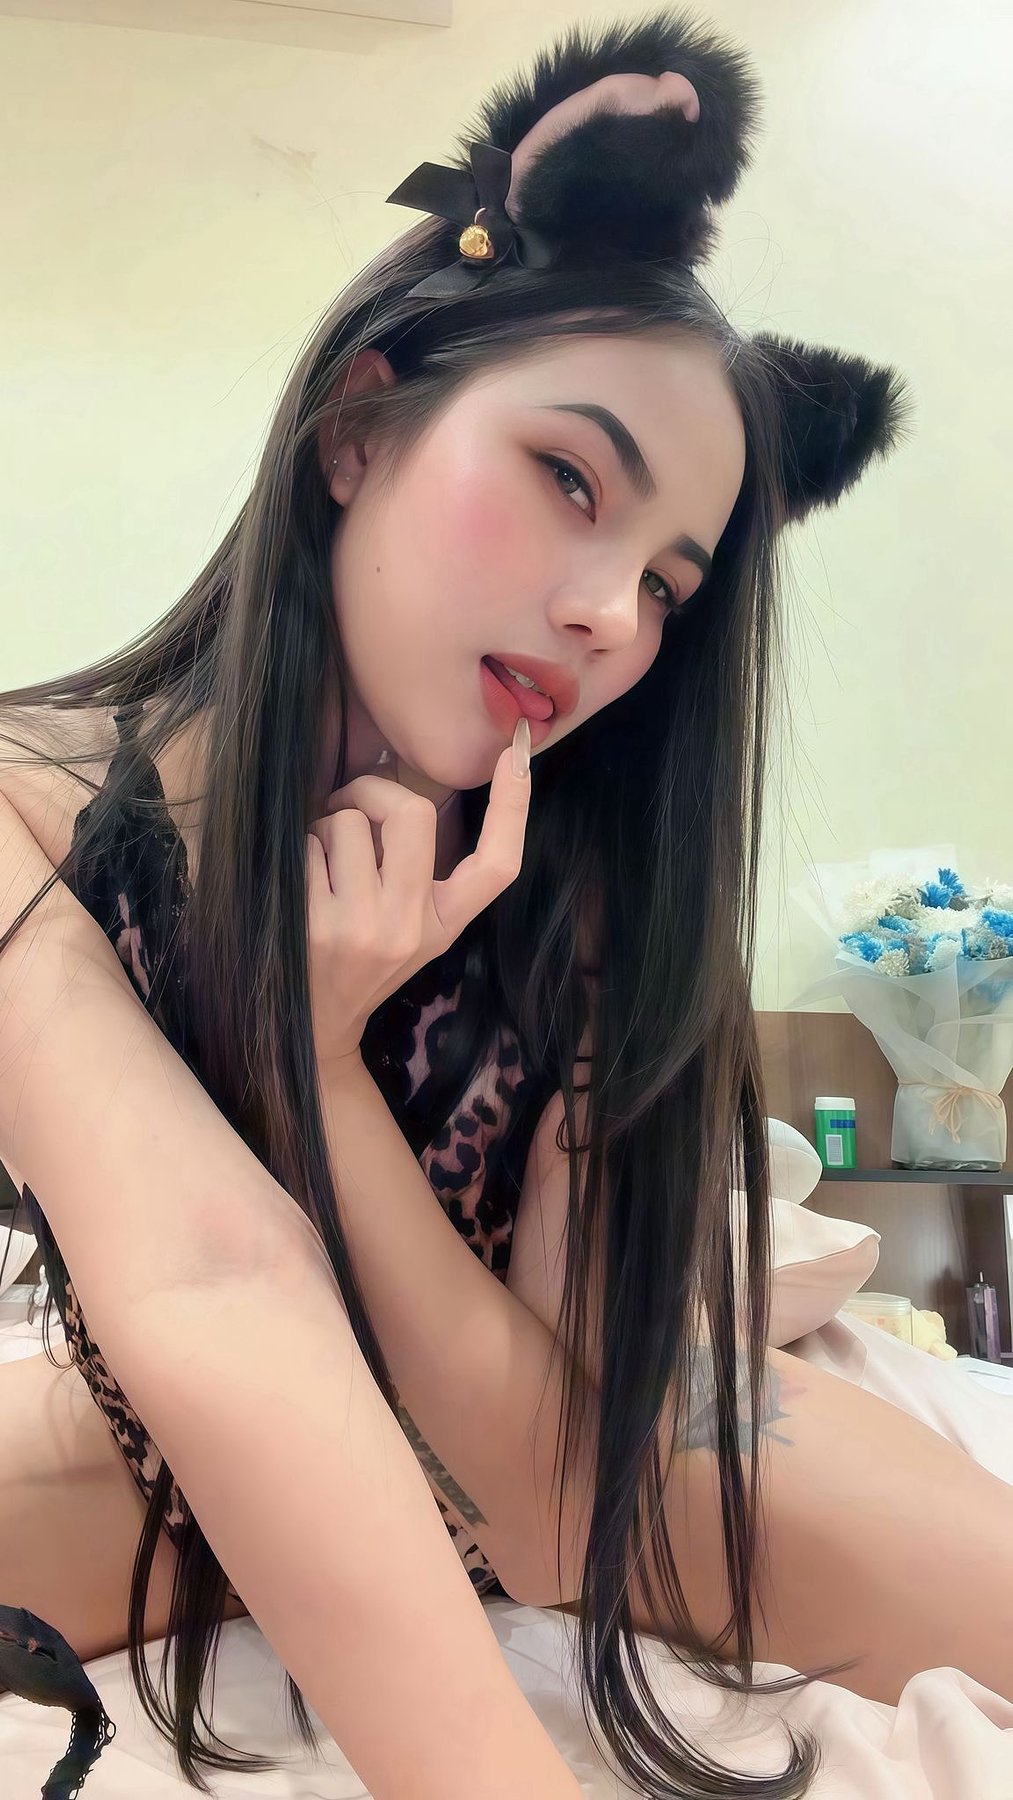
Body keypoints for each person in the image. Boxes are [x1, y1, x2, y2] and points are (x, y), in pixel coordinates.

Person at [3, 11, 1009, 1800]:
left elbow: (546, 1501)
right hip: (173, 1456)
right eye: (567, 478)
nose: (611, 613)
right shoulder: (34, 814)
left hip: (607, 1447)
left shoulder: (589, 880)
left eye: (668, 583)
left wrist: (316, 1065)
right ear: (356, 425)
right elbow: (210, 1284)